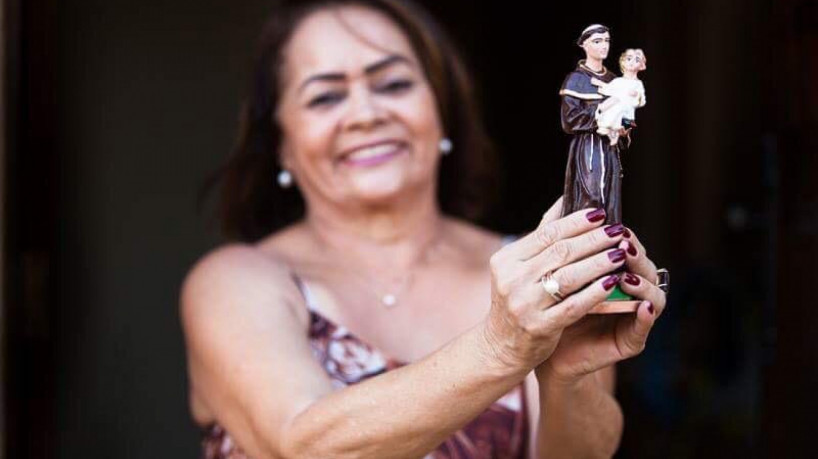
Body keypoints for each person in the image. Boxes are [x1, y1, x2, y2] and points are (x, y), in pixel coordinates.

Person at [180, 3, 667, 458]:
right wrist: (501, 347)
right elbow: (300, 442)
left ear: (442, 111)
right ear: (281, 143)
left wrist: (566, 377)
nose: (366, 115)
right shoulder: (234, 281)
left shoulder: (531, 273)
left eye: (393, 85)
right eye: (325, 96)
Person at [559, 24, 628, 225]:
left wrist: (625, 127)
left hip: (610, 148)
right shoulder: (575, 80)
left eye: (606, 41)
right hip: (588, 149)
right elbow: (569, 119)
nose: (603, 46)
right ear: (584, 45)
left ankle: (607, 245)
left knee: (610, 200)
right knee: (591, 198)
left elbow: (626, 114)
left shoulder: (614, 80)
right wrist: (600, 114)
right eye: (597, 41)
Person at [595, 49, 647, 146]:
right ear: (623, 62)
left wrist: (637, 95)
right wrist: (599, 84)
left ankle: (614, 133)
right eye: (629, 59)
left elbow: (642, 101)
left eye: (637, 60)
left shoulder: (638, 84)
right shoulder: (618, 81)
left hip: (627, 117)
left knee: (620, 116)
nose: (632, 62)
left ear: (641, 66)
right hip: (614, 115)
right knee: (609, 105)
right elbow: (608, 90)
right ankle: (610, 133)